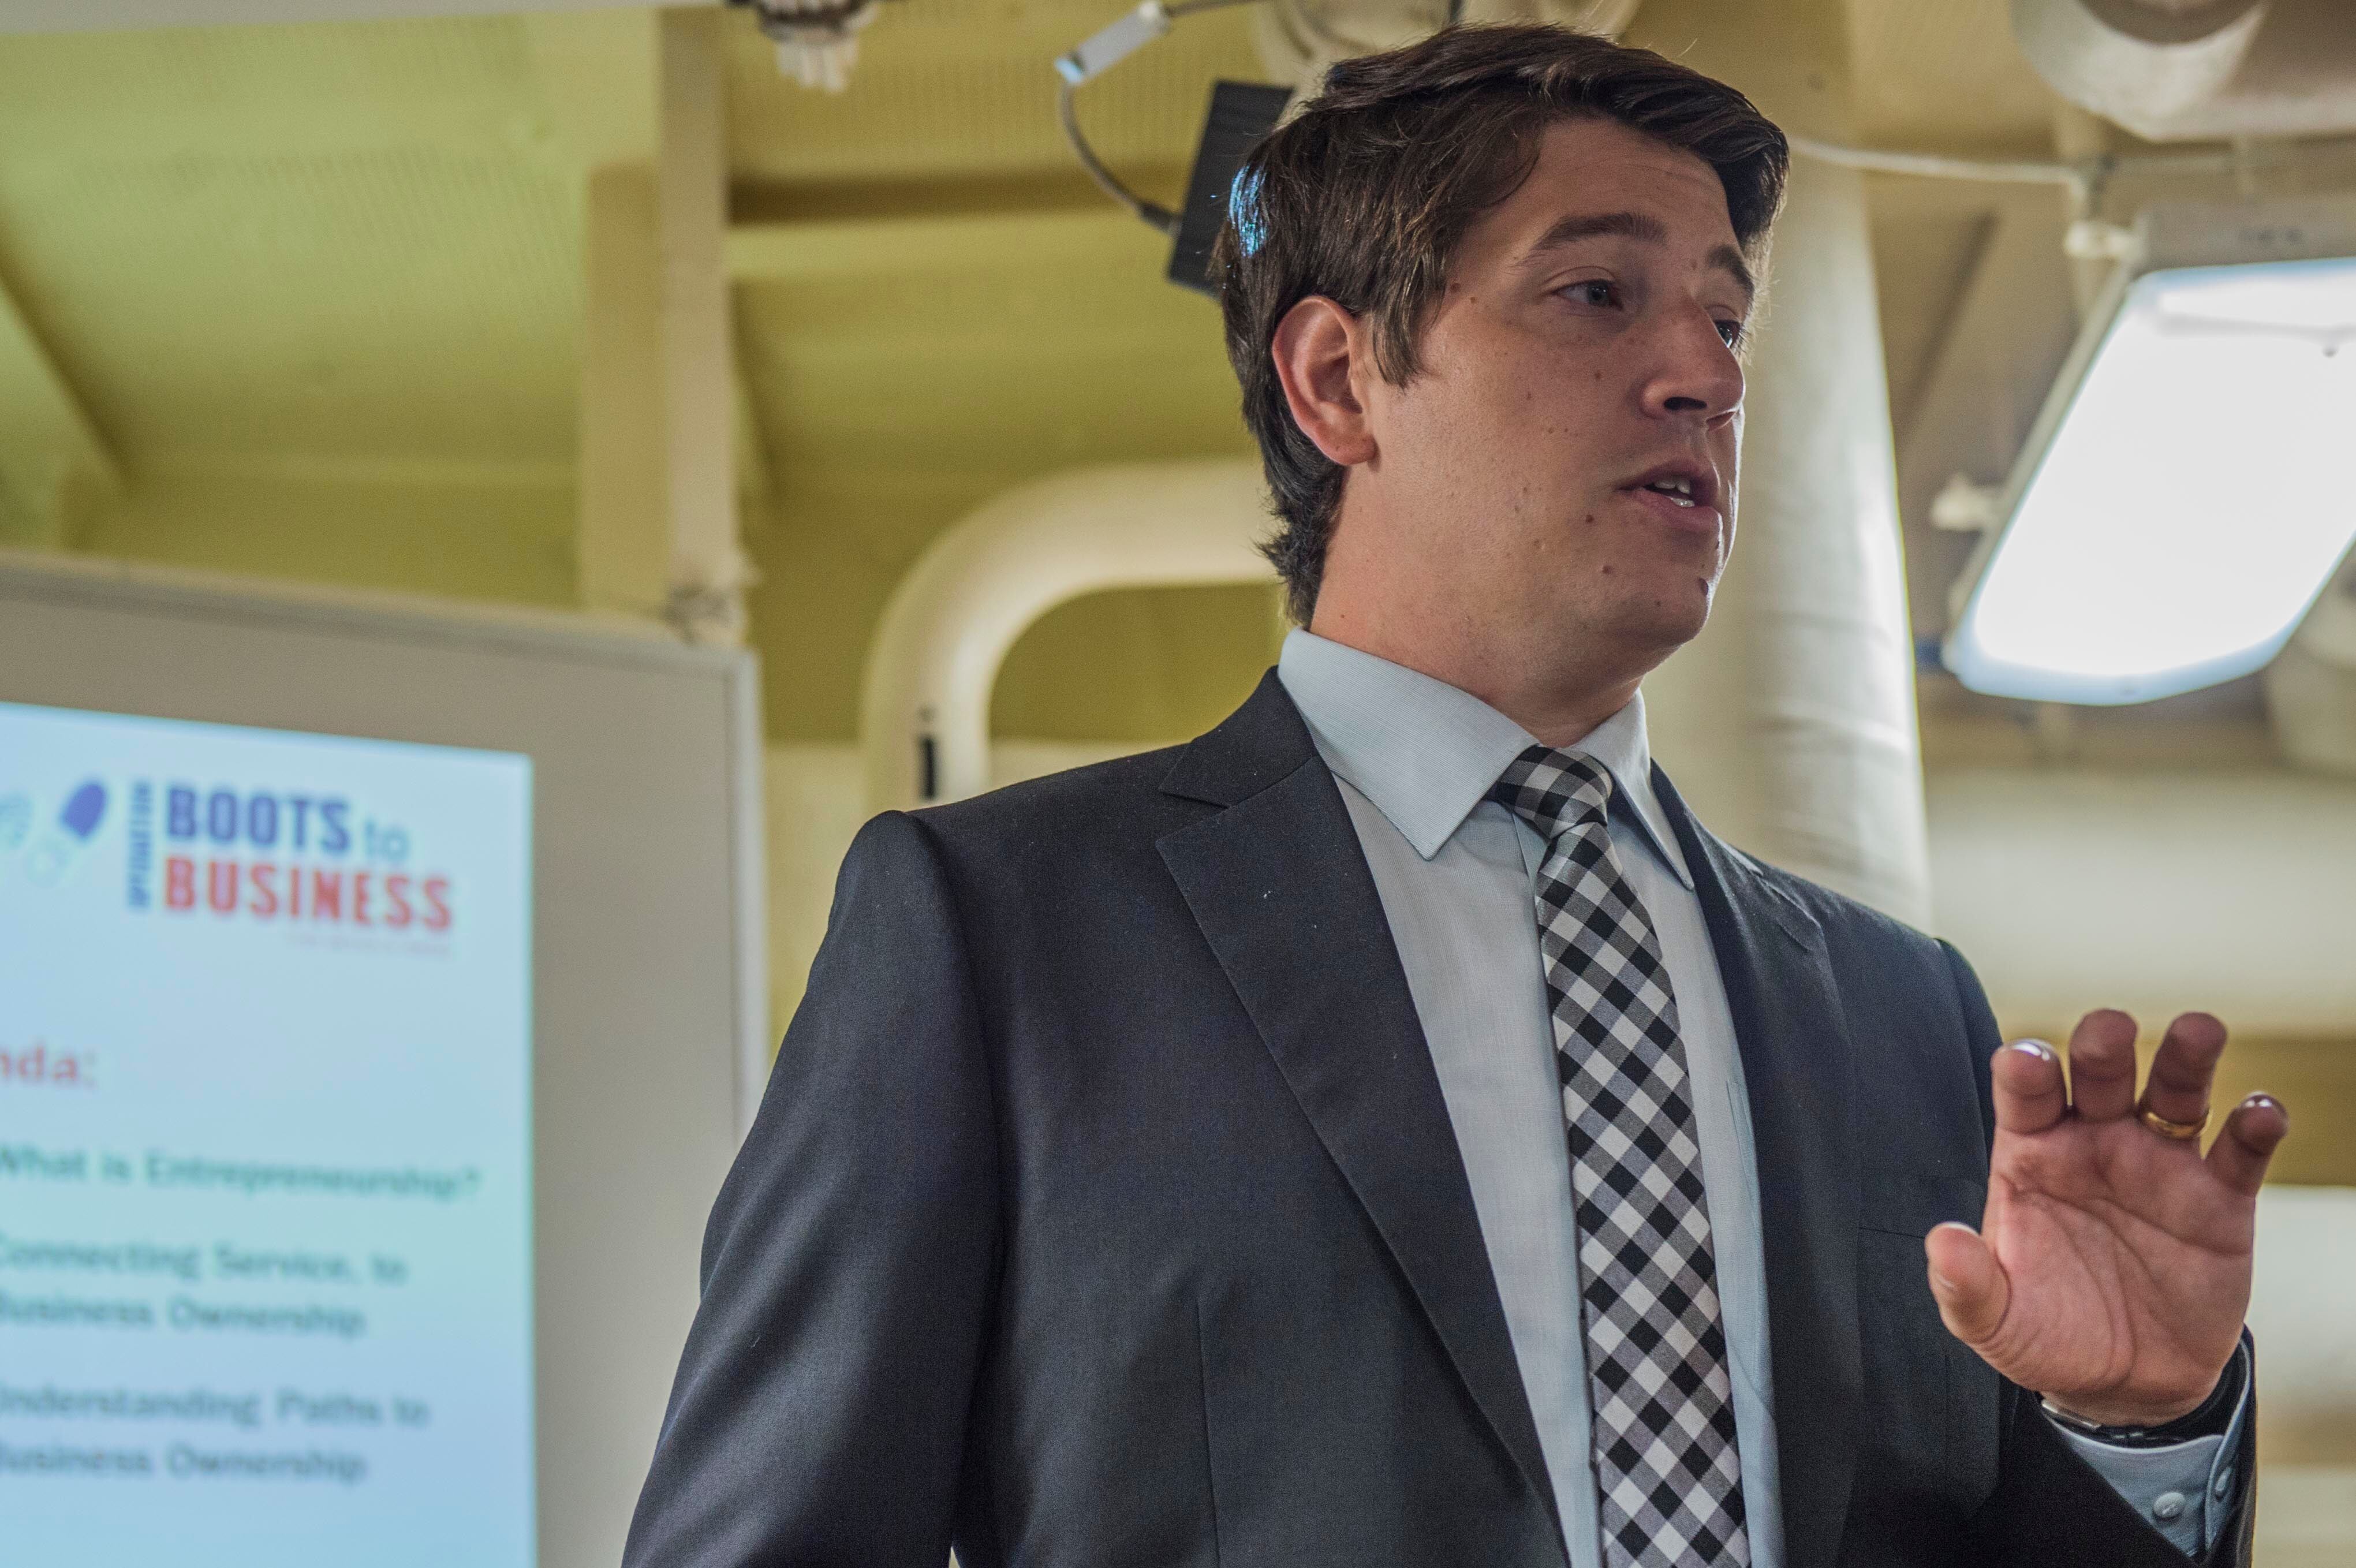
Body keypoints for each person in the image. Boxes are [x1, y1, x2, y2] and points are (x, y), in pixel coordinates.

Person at [622, 25, 2288, 1568]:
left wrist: (2137, 1427)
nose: (1704, 374)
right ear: (1338, 380)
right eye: (1594, 294)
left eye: (1724, 318)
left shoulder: (1902, 1012)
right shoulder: (1003, 936)